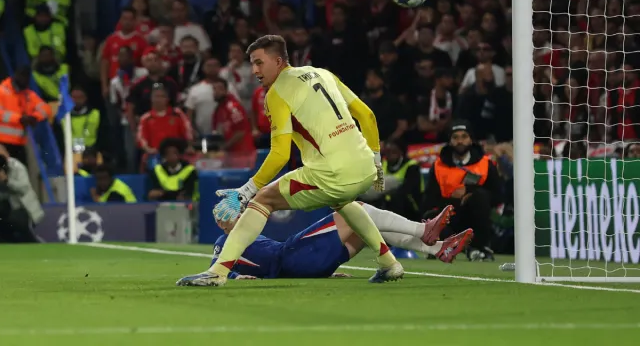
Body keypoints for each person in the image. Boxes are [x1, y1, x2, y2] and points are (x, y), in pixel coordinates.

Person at [177, 35, 405, 287]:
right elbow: (367, 115)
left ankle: (218, 272)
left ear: (278, 61)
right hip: (363, 166)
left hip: (333, 173)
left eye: (259, 63)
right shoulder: (323, 74)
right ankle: (388, 263)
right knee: (342, 201)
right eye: (251, 63)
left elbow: (280, 155)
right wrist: (375, 160)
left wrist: (247, 190)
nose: (254, 70)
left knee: (263, 199)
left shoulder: (277, 93)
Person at [209, 202, 472, 280]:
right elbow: (216, 265)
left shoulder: (247, 236)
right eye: (236, 215)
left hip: (307, 265)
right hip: (294, 255)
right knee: (352, 209)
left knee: (365, 227)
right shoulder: (225, 241)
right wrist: (234, 277)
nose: (244, 216)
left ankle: (439, 248)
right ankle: (423, 230)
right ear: (223, 224)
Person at [423, 121, 502, 262]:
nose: (460, 141)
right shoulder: (438, 166)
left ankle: (480, 247)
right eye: (455, 137)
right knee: (430, 216)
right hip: (449, 215)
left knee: (481, 197)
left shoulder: (485, 164)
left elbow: (498, 196)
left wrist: (470, 192)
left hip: (475, 216)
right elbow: (429, 199)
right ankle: (444, 247)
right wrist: (452, 199)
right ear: (450, 141)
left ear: (471, 139)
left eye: (464, 136)